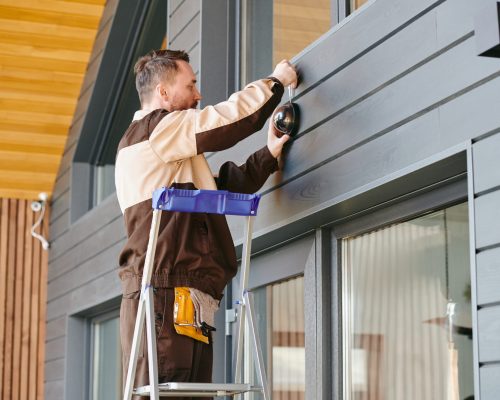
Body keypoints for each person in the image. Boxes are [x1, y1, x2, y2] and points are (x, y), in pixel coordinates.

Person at [115, 49, 297, 398]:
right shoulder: (157, 130)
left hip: (179, 293)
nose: (198, 95)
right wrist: (275, 83)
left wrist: (269, 155)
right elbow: (225, 120)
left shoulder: (159, 148)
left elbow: (219, 185)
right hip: (165, 294)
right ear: (164, 93)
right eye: (191, 84)